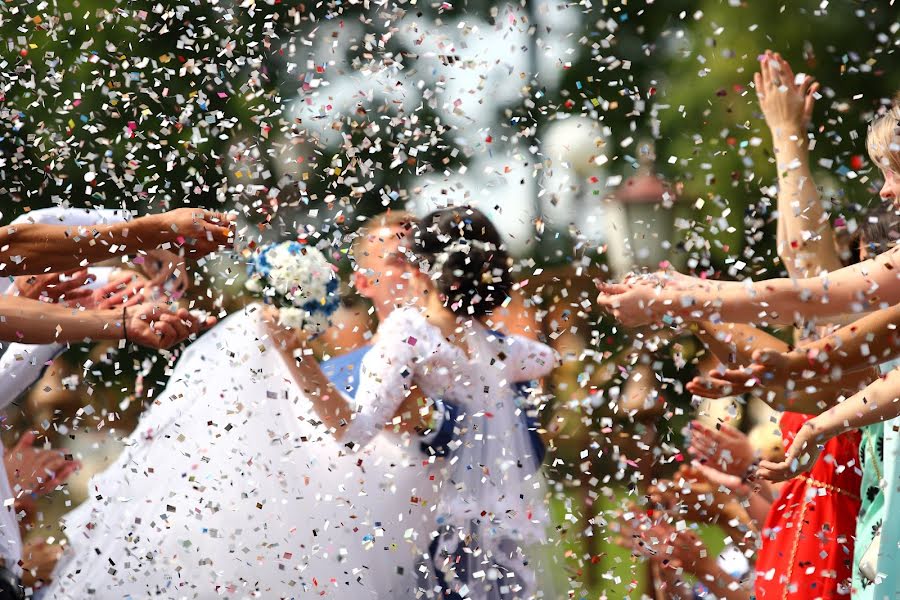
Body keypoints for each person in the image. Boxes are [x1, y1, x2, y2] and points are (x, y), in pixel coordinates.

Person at [273, 206, 558, 599]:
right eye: (395, 259)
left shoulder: (481, 345)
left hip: (469, 548)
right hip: (376, 558)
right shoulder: (336, 373)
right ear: (364, 281)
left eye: (413, 255)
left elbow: (527, 447)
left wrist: (434, 418)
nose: (407, 267)